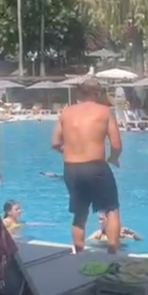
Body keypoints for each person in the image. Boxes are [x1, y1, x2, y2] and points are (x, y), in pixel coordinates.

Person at [52, 76, 122, 253]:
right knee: (111, 209)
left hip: (72, 168)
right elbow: (116, 145)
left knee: (80, 213)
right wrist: (113, 158)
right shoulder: (105, 112)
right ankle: (113, 255)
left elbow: (55, 143)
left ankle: (79, 254)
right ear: (97, 93)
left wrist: (70, 151)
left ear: (80, 93)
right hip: (96, 166)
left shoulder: (66, 113)